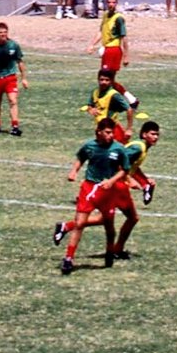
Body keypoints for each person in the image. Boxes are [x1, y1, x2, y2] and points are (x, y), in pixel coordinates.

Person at [53, 121, 159, 261]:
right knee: (130, 218)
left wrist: (144, 180)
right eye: (153, 134)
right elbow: (121, 163)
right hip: (117, 185)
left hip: (116, 183)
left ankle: (66, 227)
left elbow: (131, 165)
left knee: (105, 218)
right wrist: (129, 180)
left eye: (157, 134)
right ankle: (116, 250)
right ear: (144, 134)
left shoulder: (141, 147)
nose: (156, 137)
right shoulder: (137, 148)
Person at [59, 117, 130, 276]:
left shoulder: (119, 149)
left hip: (107, 191)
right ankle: (68, 258)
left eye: (112, 132)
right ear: (98, 132)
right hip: (89, 188)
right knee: (80, 223)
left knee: (109, 226)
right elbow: (81, 158)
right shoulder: (90, 146)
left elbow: (124, 169)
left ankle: (109, 251)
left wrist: (111, 181)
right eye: (107, 132)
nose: (111, 135)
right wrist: (74, 171)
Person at [83, 68, 134, 144]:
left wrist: (129, 129)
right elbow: (90, 105)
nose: (104, 82)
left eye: (107, 80)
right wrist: (90, 109)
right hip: (100, 130)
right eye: (101, 79)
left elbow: (129, 109)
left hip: (113, 130)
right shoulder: (95, 92)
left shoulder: (114, 95)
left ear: (111, 81)